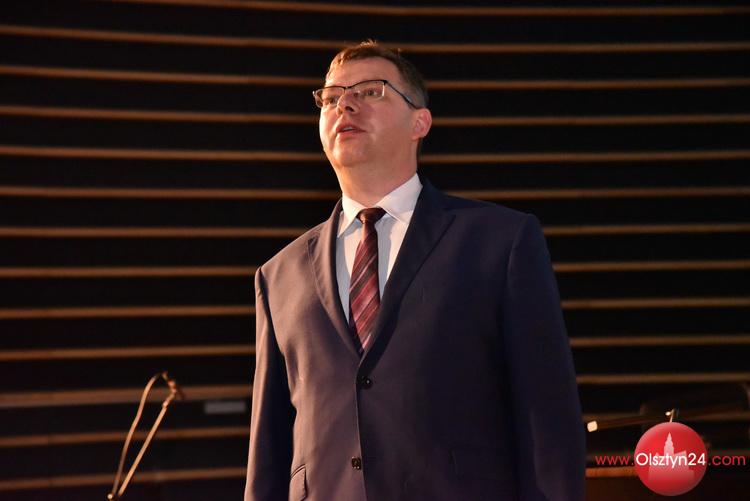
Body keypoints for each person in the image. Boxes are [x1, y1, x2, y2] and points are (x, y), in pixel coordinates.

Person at [245, 40, 585, 501]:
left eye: (371, 91)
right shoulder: (278, 275)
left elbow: (548, 421)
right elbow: (269, 450)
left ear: (419, 123)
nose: (345, 104)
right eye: (331, 97)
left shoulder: (500, 242)